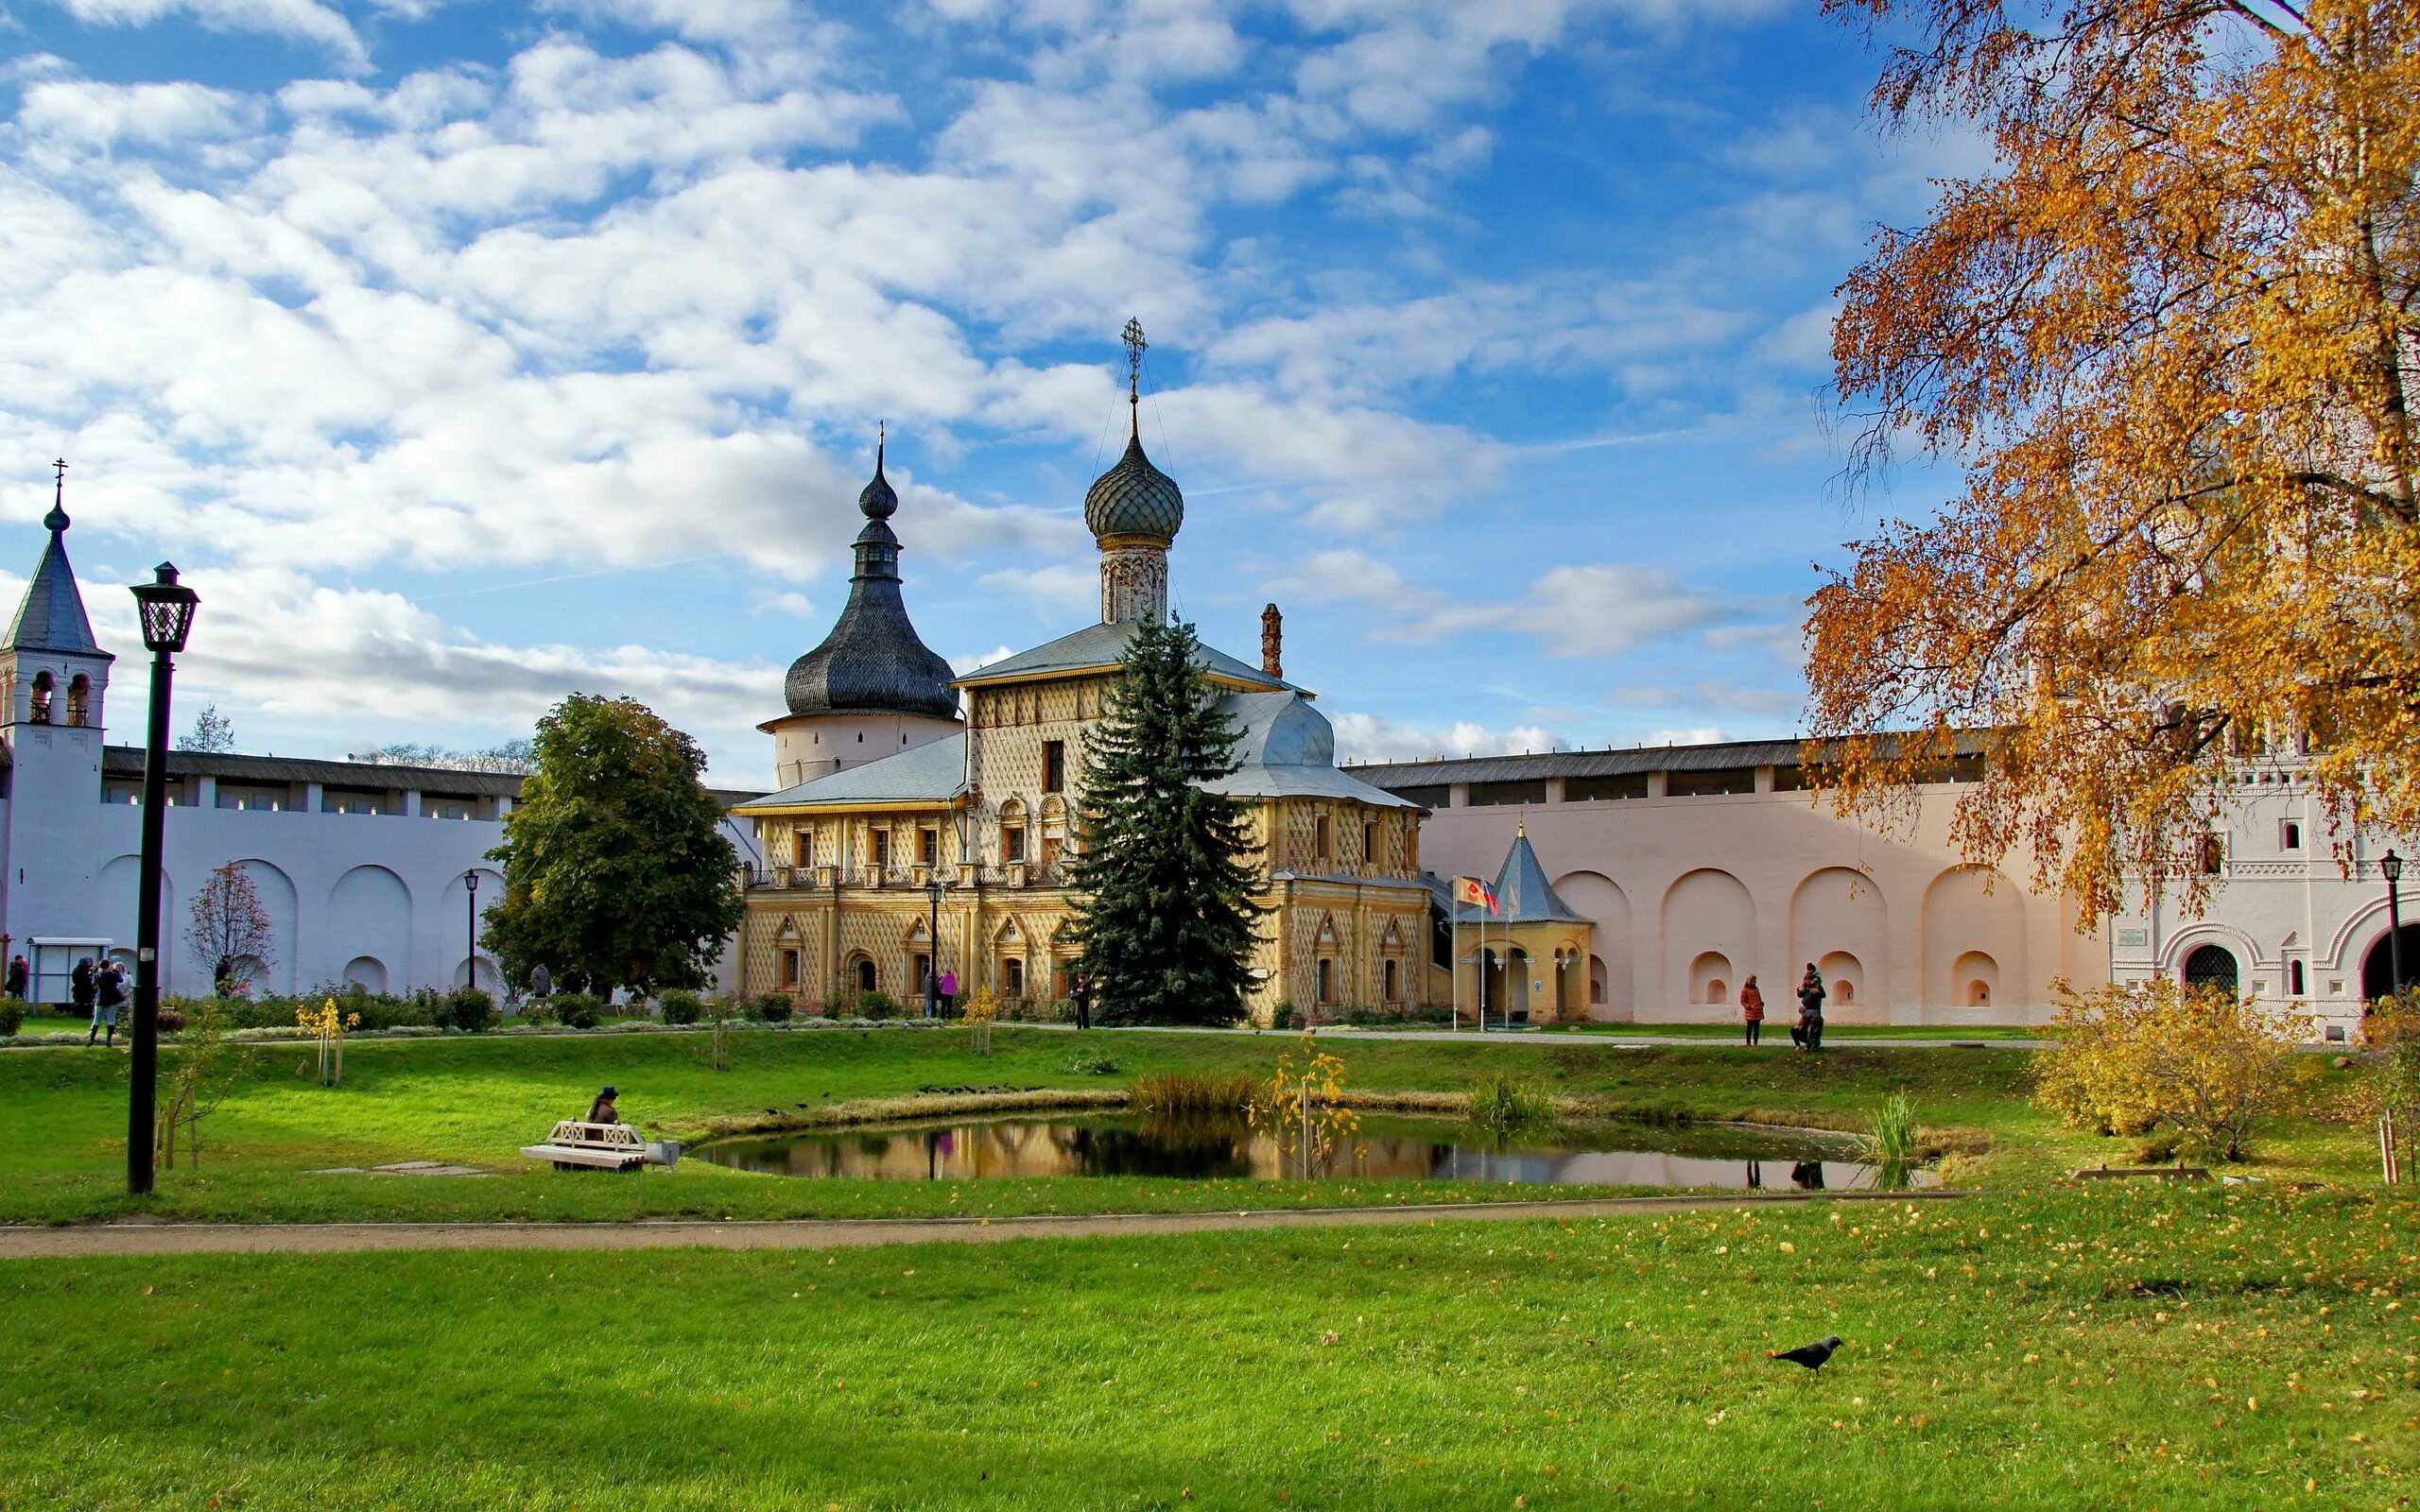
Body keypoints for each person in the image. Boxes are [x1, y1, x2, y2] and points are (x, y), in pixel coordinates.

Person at [89, 959, 127, 1047]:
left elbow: (93, 984)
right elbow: (120, 980)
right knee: (111, 1018)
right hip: (112, 998)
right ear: (108, 966)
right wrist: (115, 970)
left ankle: (91, 1039)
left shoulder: (98, 975)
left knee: (97, 1019)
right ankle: (108, 1041)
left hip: (101, 998)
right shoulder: (113, 974)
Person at [1791, 963, 1827, 1052]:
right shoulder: (1805, 987)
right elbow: (1800, 994)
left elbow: (1823, 994)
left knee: (1815, 1026)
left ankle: (1815, 1042)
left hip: (1815, 1009)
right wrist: (1799, 990)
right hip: (1807, 1009)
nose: (1807, 981)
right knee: (1804, 1026)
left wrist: (1817, 992)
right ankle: (1807, 1042)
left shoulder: (1817, 985)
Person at [1738, 974, 1765, 1046]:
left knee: (1757, 1029)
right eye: (1753, 980)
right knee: (1749, 1028)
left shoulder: (1756, 989)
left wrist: (1761, 1003)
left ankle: (1755, 1043)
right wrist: (1748, 1006)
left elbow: (1759, 998)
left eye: (1755, 981)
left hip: (1758, 1011)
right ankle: (1748, 1043)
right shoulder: (1745, 990)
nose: (1754, 982)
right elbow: (1742, 1001)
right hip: (1750, 1012)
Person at [71, 956, 96, 1025]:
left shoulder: (76, 970)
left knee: (78, 1003)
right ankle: (86, 1015)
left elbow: (74, 980)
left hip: (78, 989)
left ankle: (78, 1015)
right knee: (86, 1003)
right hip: (86, 990)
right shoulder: (86, 971)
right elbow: (90, 980)